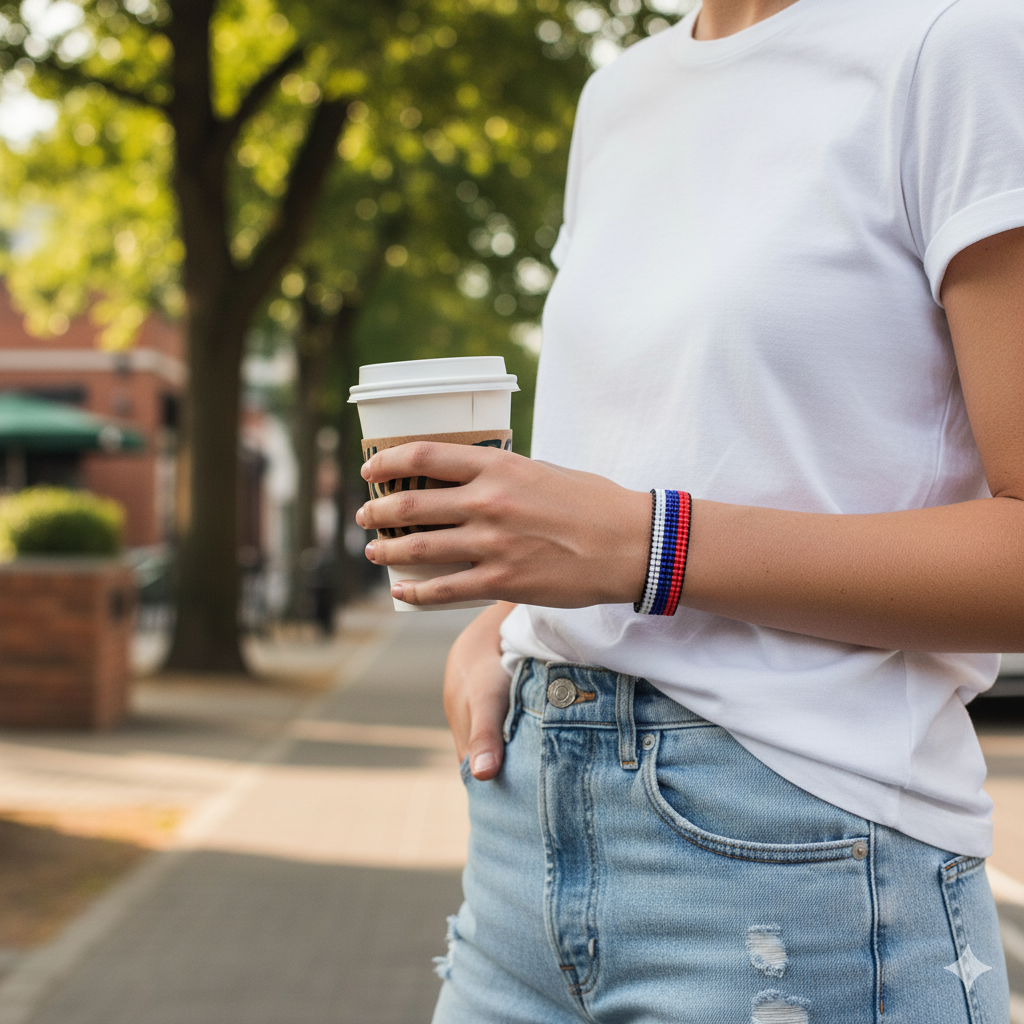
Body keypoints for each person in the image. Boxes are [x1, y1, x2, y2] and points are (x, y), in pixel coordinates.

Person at [356, 0, 1024, 1017]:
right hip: (524, 835)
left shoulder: (961, 45)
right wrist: (502, 627)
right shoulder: (618, 93)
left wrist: (650, 546)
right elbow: (647, 450)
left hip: (798, 852)